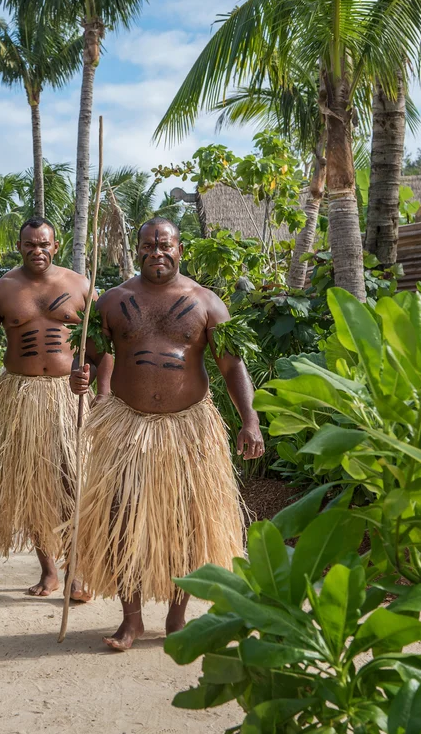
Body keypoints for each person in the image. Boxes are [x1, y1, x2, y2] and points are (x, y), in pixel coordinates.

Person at [69, 217, 264, 651]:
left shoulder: (207, 303)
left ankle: (177, 620)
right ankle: (131, 621)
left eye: (165, 245)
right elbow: (89, 355)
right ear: (136, 249)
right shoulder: (112, 302)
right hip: (126, 426)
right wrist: (77, 378)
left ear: (180, 249)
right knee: (123, 519)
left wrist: (249, 418)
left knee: (185, 523)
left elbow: (233, 366)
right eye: (148, 245)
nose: (157, 252)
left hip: (188, 427)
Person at [0, 217, 112, 599]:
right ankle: (49, 572)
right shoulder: (3, 289)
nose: (37, 250)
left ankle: (76, 570)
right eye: (29, 245)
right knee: (33, 486)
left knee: (69, 484)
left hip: (67, 395)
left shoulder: (81, 287)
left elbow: (102, 348)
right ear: (20, 246)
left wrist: (98, 386)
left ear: (56, 245)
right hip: (20, 396)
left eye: (43, 244)